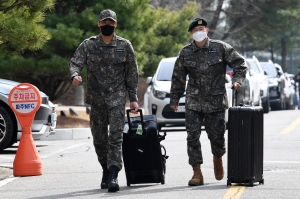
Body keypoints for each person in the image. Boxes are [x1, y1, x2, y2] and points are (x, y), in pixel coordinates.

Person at [170, 18, 247, 186]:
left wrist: (238, 81)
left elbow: (240, 64)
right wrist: (174, 99)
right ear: (191, 33)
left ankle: (217, 157)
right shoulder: (185, 52)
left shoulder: (220, 48)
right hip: (193, 101)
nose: (199, 31)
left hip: (216, 101)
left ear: (207, 31)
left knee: (217, 137)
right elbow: (178, 77)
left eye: (202, 28)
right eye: (196, 29)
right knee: (192, 137)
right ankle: (197, 172)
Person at [69, 9, 139, 192]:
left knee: (115, 138)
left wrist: (133, 99)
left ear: (115, 24)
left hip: (117, 100)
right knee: (99, 140)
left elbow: (132, 74)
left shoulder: (125, 46)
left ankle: (114, 174)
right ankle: (105, 170)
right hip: (96, 100)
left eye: (111, 23)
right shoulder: (88, 45)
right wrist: (75, 75)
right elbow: (75, 62)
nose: (108, 26)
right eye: (104, 23)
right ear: (99, 24)